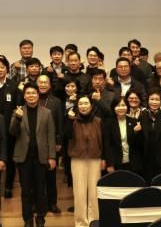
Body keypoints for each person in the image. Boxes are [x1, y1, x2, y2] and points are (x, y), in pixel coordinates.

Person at [10, 83, 56, 227]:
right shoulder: (17, 112)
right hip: (23, 157)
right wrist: (17, 119)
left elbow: (51, 136)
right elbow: (12, 132)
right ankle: (27, 219)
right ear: (24, 96)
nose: (31, 95)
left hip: (41, 157)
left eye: (33, 93)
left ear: (38, 95)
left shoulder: (47, 113)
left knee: (41, 190)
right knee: (25, 191)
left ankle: (41, 217)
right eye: (28, 93)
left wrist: (52, 156)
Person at [66, 95, 105, 227]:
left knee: (94, 192)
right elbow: (66, 136)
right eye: (80, 104)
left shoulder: (98, 121)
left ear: (91, 105)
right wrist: (69, 120)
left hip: (95, 159)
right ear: (77, 106)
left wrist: (104, 158)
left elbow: (103, 141)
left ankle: (94, 221)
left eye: (86, 103)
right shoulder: (72, 120)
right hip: (78, 159)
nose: (83, 106)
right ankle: (81, 222)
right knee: (79, 193)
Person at [0, 56, 18, 198]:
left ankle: (8, 186)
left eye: (2, 67)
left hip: (9, 129)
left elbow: (18, 106)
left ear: (7, 69)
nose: (0, 70)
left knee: (10, 159)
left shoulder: (14, 85)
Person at [37, 74, 63, 214]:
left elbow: (60, 122)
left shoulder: (56, 101)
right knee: (36, 176)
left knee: (51, 176)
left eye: (45, 82)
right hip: (35, 143)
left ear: (50, 85)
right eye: (40, 82)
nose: (42, 85)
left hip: (51, 142)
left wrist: (59, 142)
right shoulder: (32, 98)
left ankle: (52, 202)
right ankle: (37, 203)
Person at [103, 96, 143, 175]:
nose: (121, 108)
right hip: (116, 163)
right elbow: (107, 145)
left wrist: (136, 132)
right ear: (113, 107)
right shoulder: (108, 123)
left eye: (123, 105)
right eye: (118, 105)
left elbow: (139, 144)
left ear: (127, 107)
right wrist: (110, 164)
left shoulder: (134, 122)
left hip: (132, 163)